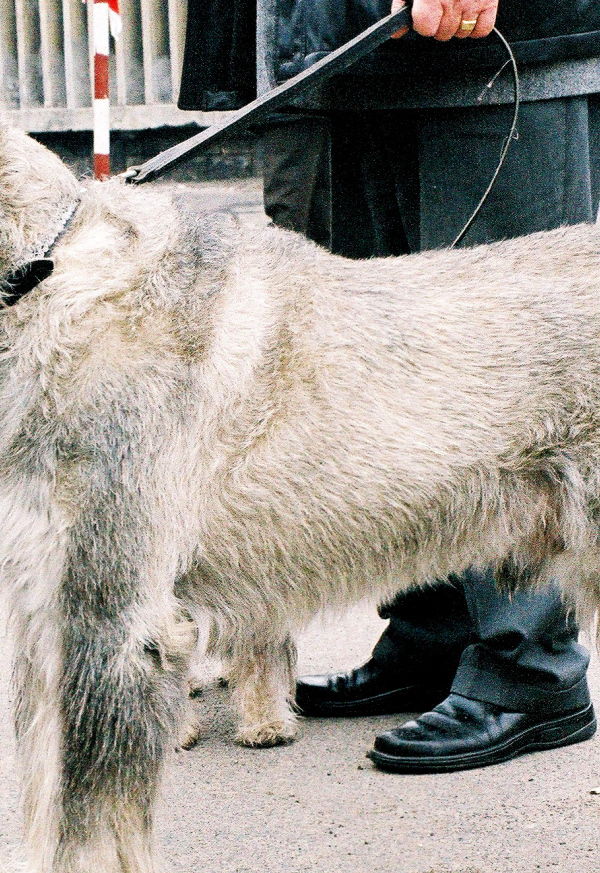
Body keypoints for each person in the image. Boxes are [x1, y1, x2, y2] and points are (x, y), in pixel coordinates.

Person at [179, 0, 600, 772]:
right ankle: (432, 638)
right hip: (342, 59)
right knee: (380, 403)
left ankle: (530, 667)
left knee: (518, 375)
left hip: (492, 46)